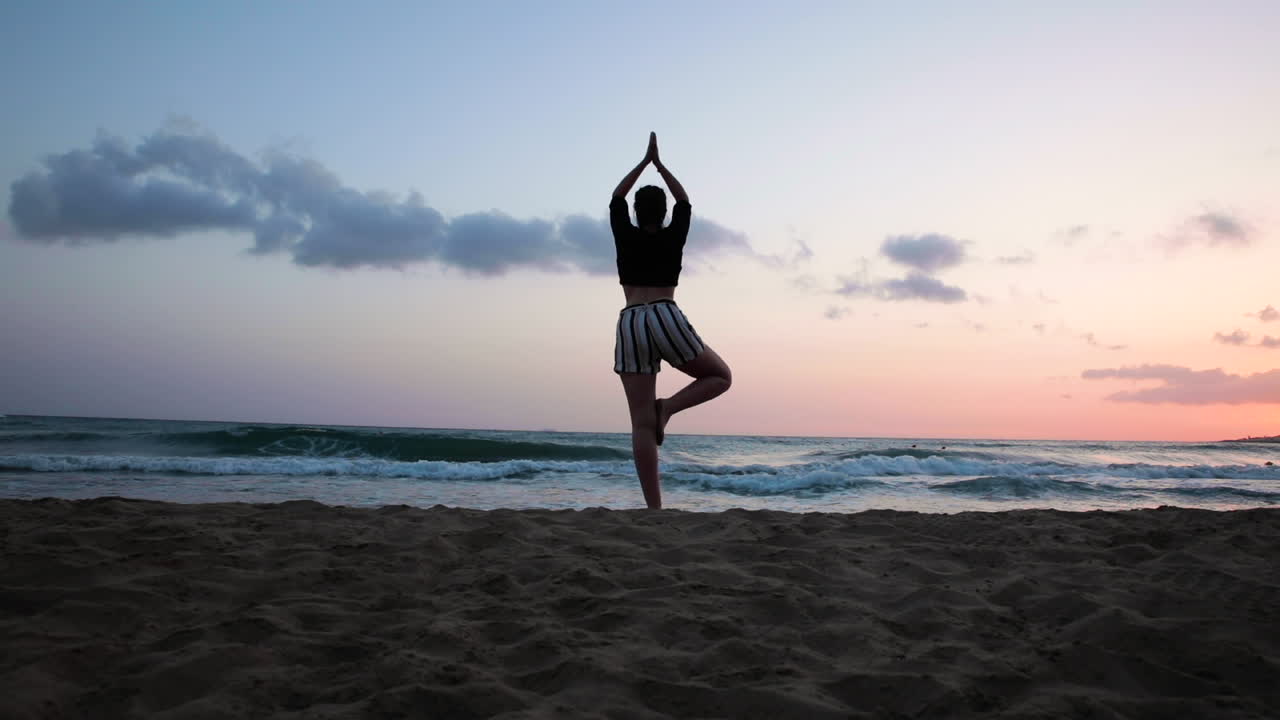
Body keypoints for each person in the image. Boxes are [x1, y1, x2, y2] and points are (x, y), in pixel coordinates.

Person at [611, 132, 732, 509]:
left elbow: (616, 198)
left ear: (636, 212)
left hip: (630, 322)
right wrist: (660, 165)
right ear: (662, 214)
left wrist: (642, 164)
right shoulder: (674, 234)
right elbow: (684, 200)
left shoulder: (624, 234)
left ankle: (654, 508)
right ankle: (671, 407)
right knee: (720, 376)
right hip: (664, 313)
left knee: (639, 424)